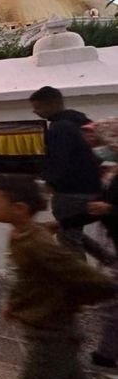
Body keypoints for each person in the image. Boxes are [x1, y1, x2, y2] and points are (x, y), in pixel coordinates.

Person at [0, 174, 118, 379]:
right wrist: (15, 303)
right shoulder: (19, 235)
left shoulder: (40, 244)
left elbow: (95, 281)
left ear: (19, 209)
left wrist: (70, 304)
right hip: (52, 334)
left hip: (52, 337)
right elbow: (26, 277)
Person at [29, 86, 112, 263]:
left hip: (70, 193)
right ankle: (109, 261)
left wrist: (48, 187)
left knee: (68, 239)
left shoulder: (59, 128)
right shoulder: (80, 121)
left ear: (51, 104)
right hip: (94, 188)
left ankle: (82, 283)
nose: (35, 111)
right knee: (73, 230)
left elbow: (59, 162)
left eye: (38, 107)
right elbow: (98, 151)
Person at [87, 117, 118, 370]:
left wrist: (109, 208)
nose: (98, 147)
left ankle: (109, 356)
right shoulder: (112, 168)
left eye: (103, 142)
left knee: (113, 303)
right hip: (110, 237)